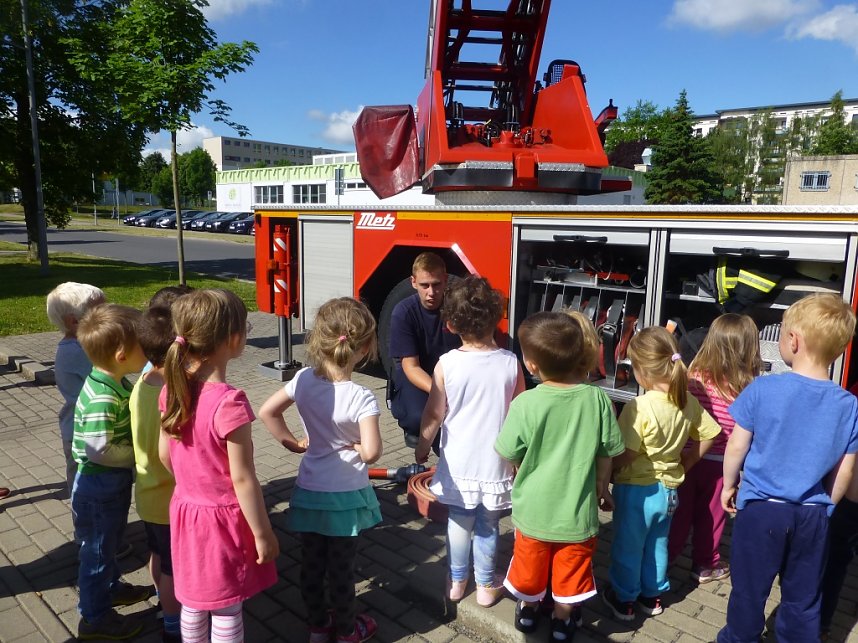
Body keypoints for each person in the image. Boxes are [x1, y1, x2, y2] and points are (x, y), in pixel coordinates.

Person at [717, 293, 858, 643]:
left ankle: (740, 638)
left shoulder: (763, 388)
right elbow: (846, 470)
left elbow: (737, 445)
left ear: (793, 341)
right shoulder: (848, 405)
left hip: (763, 511)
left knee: (749, 590)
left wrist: (728, 484)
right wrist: (828, 505)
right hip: (812, 515)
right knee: (803, 597)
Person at [495, 311, 625, 642]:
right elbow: (607, 452)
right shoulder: (597, 399)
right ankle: (563, 621)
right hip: (577, 513)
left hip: (533, 511)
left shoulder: (525, 403)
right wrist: (602, 486)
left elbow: (508, 451)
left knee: (529, 567)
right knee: (572, 570)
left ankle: (528, 611)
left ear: (532, 364)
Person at [259, 297, 383, 643]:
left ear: (319, 340)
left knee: (312, 565)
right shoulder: (362, 396)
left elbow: (267, 411)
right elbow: (372, 452)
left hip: (311, 490)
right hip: (345, 496)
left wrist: (290, 443)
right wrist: (358, 447)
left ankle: (317, 626)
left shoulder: (302, 380)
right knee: (342, 570)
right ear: (365, 346)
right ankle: (346, 631)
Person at [160, 289, 278, 642]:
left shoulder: (172, 388)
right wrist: (263, 533)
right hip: (221, 523)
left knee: (194, 600)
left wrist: (192, 486)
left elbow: (165, 455)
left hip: (185, 511)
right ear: (235, 338)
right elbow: (243, 479)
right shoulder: (230, 402)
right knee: (226, 605)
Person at [415, 276, 524, 607]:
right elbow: (520, 415)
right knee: (489, 525)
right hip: (497, 462)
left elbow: (434, 414)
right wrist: (521, 460)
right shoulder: (510, 362)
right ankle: (487, 586)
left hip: (460, 463)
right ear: (495, 319)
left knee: (459, 523)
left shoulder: (447, 363)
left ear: (450, 324)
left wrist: (422, 447)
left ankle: (458, 582)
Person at [604, 326, 720, 622]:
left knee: (628, 547)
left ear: (642, 372)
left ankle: (624, 598)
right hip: (668, 492)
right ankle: (652, 595)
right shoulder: (687, 401)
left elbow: (628, 452)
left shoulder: (638, 407)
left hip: (636, 492)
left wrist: (610, 471)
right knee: (657, 544)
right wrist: (689, 461)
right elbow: (710, 433)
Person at [72, 303, 152, 640]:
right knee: (97, 551)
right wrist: (136, 456)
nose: (147, 351)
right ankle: (95, 618)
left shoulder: (111, 380)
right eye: (143, 347)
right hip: (100, 483)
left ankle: (110, 587)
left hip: (107, 484)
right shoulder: (104, 397)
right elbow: (98, 450)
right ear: (121, 355)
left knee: (109, 542)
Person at [667, 314, 761, 584]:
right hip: (720, 464)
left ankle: (666, 560)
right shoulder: (748, 388)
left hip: (686, 457)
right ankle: (705, 564)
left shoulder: (693, 376)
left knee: (679, 515)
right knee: (712, 516)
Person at [129, 305, 180, 642]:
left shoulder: (140, 384)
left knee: (157, 556)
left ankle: (164, 606)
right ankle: (175, 625)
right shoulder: (171, 394)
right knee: (174, 569)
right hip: (169, 498)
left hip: (146, 493)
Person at [389, 252, 461, 448]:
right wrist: (441, 394)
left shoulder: (457, 308)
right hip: (419, 373)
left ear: (445, 280)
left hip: (449, 375)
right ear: (413, 282)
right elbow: (411, 367)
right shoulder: (403, 313)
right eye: (424, 285)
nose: (431, 292)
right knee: (419, 418)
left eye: (436, 284)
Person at [46, 282, 105, 498]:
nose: (107, 315)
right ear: (74, 322)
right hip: (81, 429)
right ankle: (86, 525)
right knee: (82, 480)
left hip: (82, 425)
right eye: (100, 312)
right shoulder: (76, 351)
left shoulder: (81, 346)